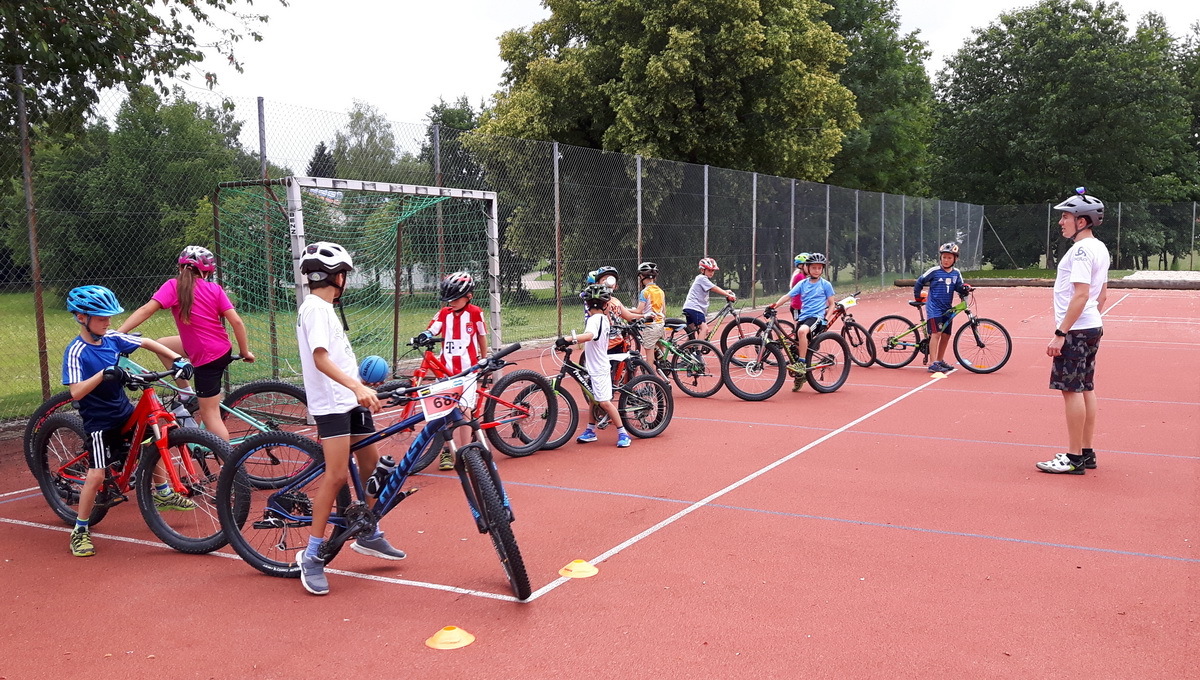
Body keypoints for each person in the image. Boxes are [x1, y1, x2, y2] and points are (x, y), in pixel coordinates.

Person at [294, 241, 406, 596]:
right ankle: (312, 556)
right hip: (332, 403)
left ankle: (367, 532)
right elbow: (320, 359)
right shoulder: (315, 309)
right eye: (344, 274)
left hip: (349, 398)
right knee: (337, 474)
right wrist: (355, 387)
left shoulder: (325, 307)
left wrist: (360, 385)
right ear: (336, 276)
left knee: (372, 466)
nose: (345, 280)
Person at [61, 285, 195, 557]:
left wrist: (177, 359)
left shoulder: (110, 338)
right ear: (81, 317)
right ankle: (80, 529)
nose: (108, 322)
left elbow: (146, 342)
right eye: (101, 318)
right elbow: (75, 391)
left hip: (122, 411)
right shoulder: (76, 351)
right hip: (98, 421)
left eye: (109, 317)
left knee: (152, 436)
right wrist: (104, 374)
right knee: (97, 474)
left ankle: (162, 491)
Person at [117, 245, 255, 442]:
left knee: (210, 415)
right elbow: (237, 322)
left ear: (180, 268)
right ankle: (186, 394)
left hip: (207, 357)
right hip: (218, 348)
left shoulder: (173, 286)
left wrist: (118, 333)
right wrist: (245, 351)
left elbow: (146, 310)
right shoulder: (214, 288)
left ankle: (231, 466)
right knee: (163, 345)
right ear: (206, 272)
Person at [1037, 188, 1110, 475]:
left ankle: (1073, 457)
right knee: (1085, 387)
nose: (1061, 221)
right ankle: (1086, 452)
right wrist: (1090, 320)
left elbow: (1080, 294)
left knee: (1071, 390)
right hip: (1091, 326)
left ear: (1082, 221)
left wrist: (1061, 332)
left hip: (1077, 329)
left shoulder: (1080, 250)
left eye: (1066, 216)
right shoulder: (1100, 248)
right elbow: (1101, 294)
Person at [416, 271, 488, 471]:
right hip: (446, 370)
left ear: (469, 296)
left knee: (464, 411)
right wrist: (424, 335)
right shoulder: (444, 313)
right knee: (445, 409)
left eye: (456, 298)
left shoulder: (475, 313)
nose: (451, 302)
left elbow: (482, 336)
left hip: (468, 370)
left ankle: (466, 452)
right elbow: (433, 328)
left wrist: (484, 357)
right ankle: (449, 450)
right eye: (449, 299)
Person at [556, 284, 632, 448]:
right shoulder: (603, 318)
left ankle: (623, 433)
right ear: (605, 305)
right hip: (595, 366)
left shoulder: (594, 320)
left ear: (587, 305)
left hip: (599, 368)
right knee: (593, 398)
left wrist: (569, 339)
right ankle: (590, 430)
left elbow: (590, 336)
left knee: (604, 402)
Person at [766, 252, 835, 390]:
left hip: (816, 318)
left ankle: (802, 364)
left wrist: (826, 320)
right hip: (803, 318)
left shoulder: (825, 285)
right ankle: (800, 377)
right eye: (814, 268)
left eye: (819, 268)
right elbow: (787, 296)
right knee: (796, 348)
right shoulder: (803, 283)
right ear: (807, 268)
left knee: (803, 332)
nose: (817, 270)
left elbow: (832, 304)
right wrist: (773, 306)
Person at [913, 243, 973, 373]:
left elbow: (959, 286)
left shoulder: (956, 273)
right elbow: (920, 281)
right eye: (944, 257)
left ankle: (939, 360)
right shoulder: (934, 271)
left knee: (946, 335)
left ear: (955, 259)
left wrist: (965, 288)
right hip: (934, 307)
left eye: (949, 258)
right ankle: (932, 362)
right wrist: (918, 297)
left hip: (947, 308)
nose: (946, 260)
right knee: (936, 333)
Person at [681, 257, 737, 339]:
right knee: (704, 329)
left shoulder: (703, 279)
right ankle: (698, 351)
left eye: (713, 271)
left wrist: (726, 292)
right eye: (709, 270)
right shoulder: (701, 278)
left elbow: (713, 287)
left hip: (691, 307)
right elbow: (714, 288)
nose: (711, 273)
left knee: (692, 333)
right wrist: (727, 294)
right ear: (702, 270)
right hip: (695, 308)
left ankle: (686, 349)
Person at [633, 262, 666, 363]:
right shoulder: (660, 291)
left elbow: (639, 311)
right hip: (661, 324)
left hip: (651, 326)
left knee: (649, 358)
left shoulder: (645, 292)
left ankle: (651, 377)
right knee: (661, 356)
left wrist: (625, 310)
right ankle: (664, 372)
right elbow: (664, 311)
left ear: (642, 276)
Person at [789, 253, 810, 320]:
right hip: (798, 307)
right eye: (808, 265)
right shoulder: (800, 276)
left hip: (803, 306)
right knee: (799, 327)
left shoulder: (802, 276)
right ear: (801, 266)